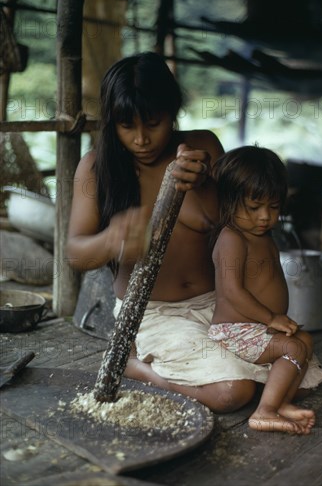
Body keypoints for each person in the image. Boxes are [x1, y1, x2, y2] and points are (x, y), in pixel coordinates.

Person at [66, 51, 258, 412]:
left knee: (290, 365)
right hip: (152, 314)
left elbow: (230, 226)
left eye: (153, 123)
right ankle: (137, 367)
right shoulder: (96, 168)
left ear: (173, 113)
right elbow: (75, 253)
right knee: (234, 392)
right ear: (111, 123)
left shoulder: (203, 148)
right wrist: (111, 240)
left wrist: (202, 185)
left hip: (219, 306)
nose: (141, 139)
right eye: (127, 126)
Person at [208, 145, 322, 433]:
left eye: (273, 207)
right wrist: (271, 318)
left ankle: (282, 402)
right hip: (235, 329)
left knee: (305, 341)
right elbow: (233, 292)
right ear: (229, 201)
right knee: (293, 347)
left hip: (257, 327)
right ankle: (265, 411)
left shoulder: (263, 235)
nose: (265, 217)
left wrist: (270, 320)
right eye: (254, 207)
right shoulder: (232, 238)